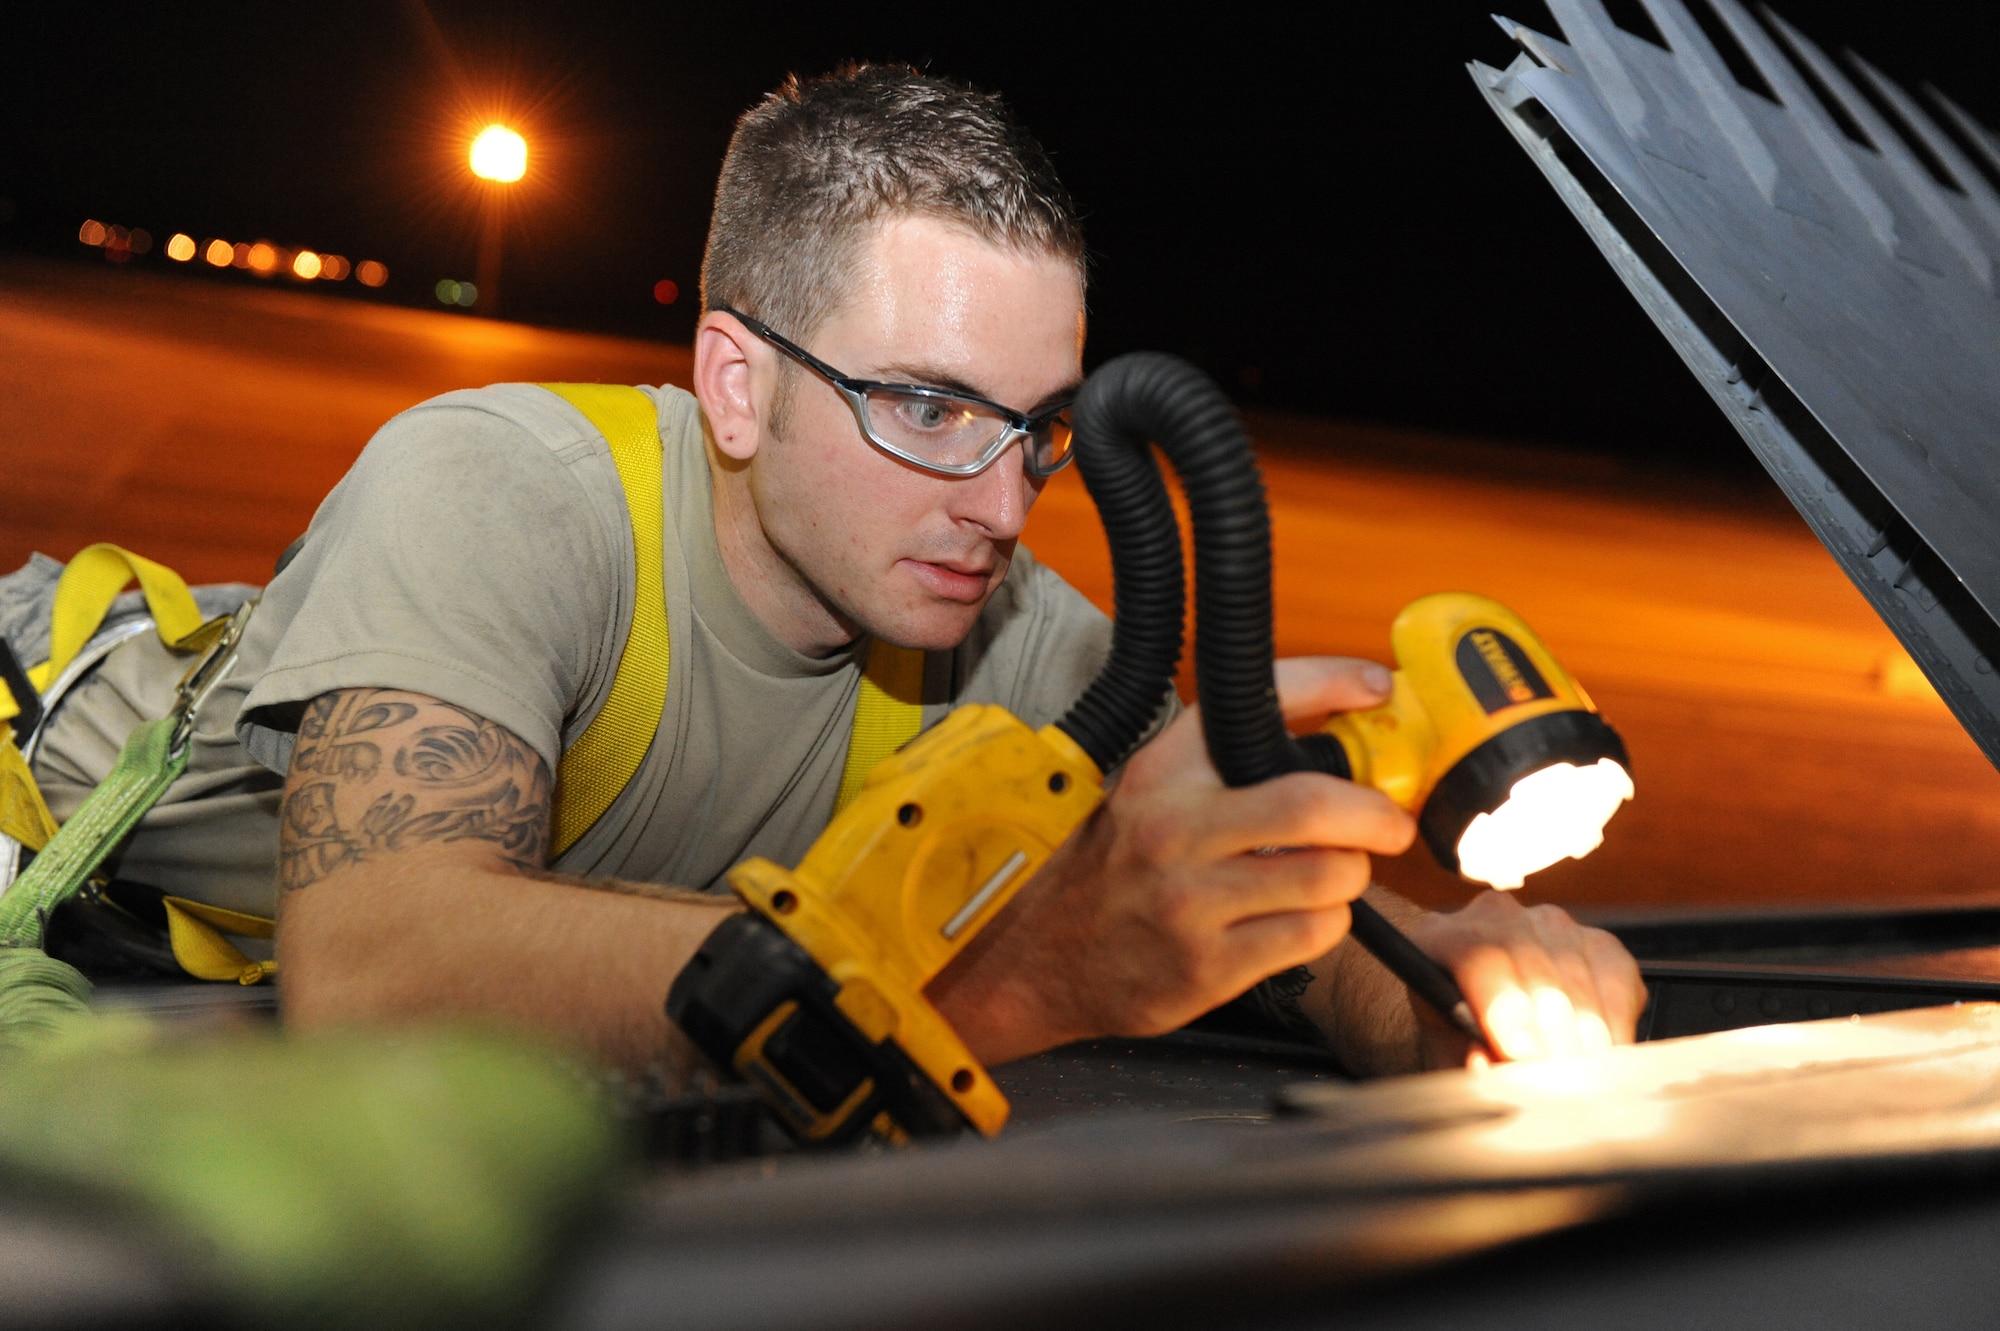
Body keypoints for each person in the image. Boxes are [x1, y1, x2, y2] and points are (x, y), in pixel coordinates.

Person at [32, 65, 1643, 1090]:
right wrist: (1020, 975)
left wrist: (1461, 981)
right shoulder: (508, 484)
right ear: (737, 385)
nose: (1004, 502)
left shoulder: (1015, 640)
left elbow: (1273, 922)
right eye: (927, 407)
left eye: (1039, 431)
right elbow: (379, 977)